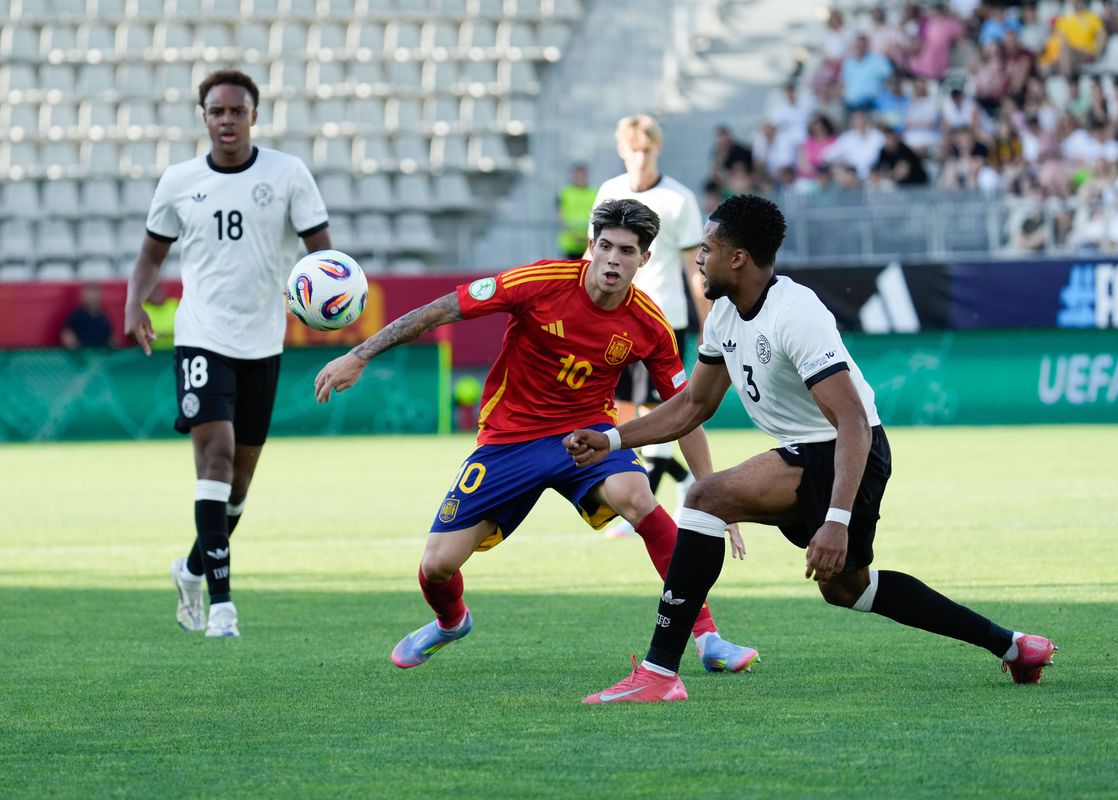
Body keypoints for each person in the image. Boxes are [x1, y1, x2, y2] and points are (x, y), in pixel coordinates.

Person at [568, 195, 1057, 704]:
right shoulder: (723, 315)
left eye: (707, 249)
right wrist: (611, 439)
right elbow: (693, 405)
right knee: (848, 589)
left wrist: (837, 520)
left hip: (847, 452)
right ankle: (1015, 647)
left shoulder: (795, 312)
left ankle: (660, 672)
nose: (698, 258)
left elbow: (852, 421)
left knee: (705, 498)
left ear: (738, 258)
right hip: (809, 451)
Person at [313, 198, 759, 673]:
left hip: (587, 438)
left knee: (638, 497)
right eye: (606, 246)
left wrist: (711, 492)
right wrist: (359, 355)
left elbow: (686, 411)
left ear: (644, 259)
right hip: (510, 440)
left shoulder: (649, 324)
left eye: (627, 251)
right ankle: (451, 621)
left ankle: (707, 636)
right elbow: (441, 310)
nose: (613, 259)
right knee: (437, 565)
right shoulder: (539, 282)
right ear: (590, 245)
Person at [123, 69, 332, 638]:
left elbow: (322, 254)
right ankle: (221, 606)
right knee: (214, 455)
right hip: (201, 336)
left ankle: (192, 568)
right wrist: (134, 303)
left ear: (254, 116)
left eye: (237, 111)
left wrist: (326, 299)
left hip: (262, 342)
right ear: (205, 118)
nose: (227, 120)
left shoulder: (288, 174)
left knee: (238, 486)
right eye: (217, 111)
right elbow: (150, 255)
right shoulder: (179, 180)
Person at [589, 115, 710, 533]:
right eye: (633, 149)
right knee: (622, 415)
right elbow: (593, 258)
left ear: (657, 150)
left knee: (659, 414)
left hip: (663, 322)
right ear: (621, 150)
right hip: (613, 320)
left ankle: (643, 505)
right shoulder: (609, 192)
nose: (640, 157)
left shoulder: (679, 199)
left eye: (647, 149)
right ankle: (676, 479)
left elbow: (695, 267)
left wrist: (708, 322)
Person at [555, 162, 596, 259]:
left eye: (583, 175)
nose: (580, 178)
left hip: (588, 242)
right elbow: (560, 216)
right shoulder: (565, 192)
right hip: (570, 243)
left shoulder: (593, 192)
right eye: (578, 175)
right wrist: (574, 235)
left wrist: (588, 235)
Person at [60, 282, 115, 349]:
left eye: (95, 297)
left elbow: (112, 340)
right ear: (84, 297)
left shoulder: (105, 318)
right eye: (91, 297)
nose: (93, 299)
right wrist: (72, 344)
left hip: (100, 353)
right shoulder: (76, 316)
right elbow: (67, 335)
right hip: (81, 353)